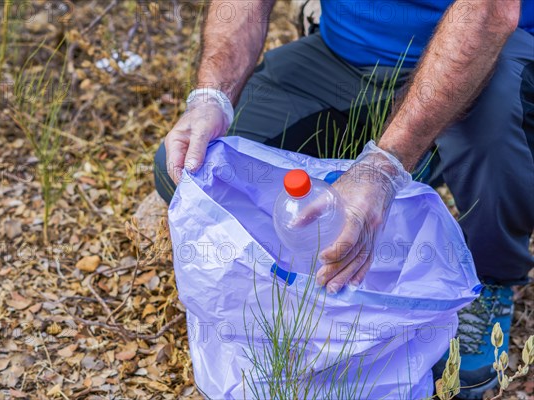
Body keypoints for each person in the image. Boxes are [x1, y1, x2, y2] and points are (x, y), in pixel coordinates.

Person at [154, 0, 534, 397]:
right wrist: (210, 97)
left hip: (484, 53)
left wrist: (381, 170)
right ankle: (296, 280)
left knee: (502, 125)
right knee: (196, 165)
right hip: (343, 56)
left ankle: (490, 278)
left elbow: (489, 13)